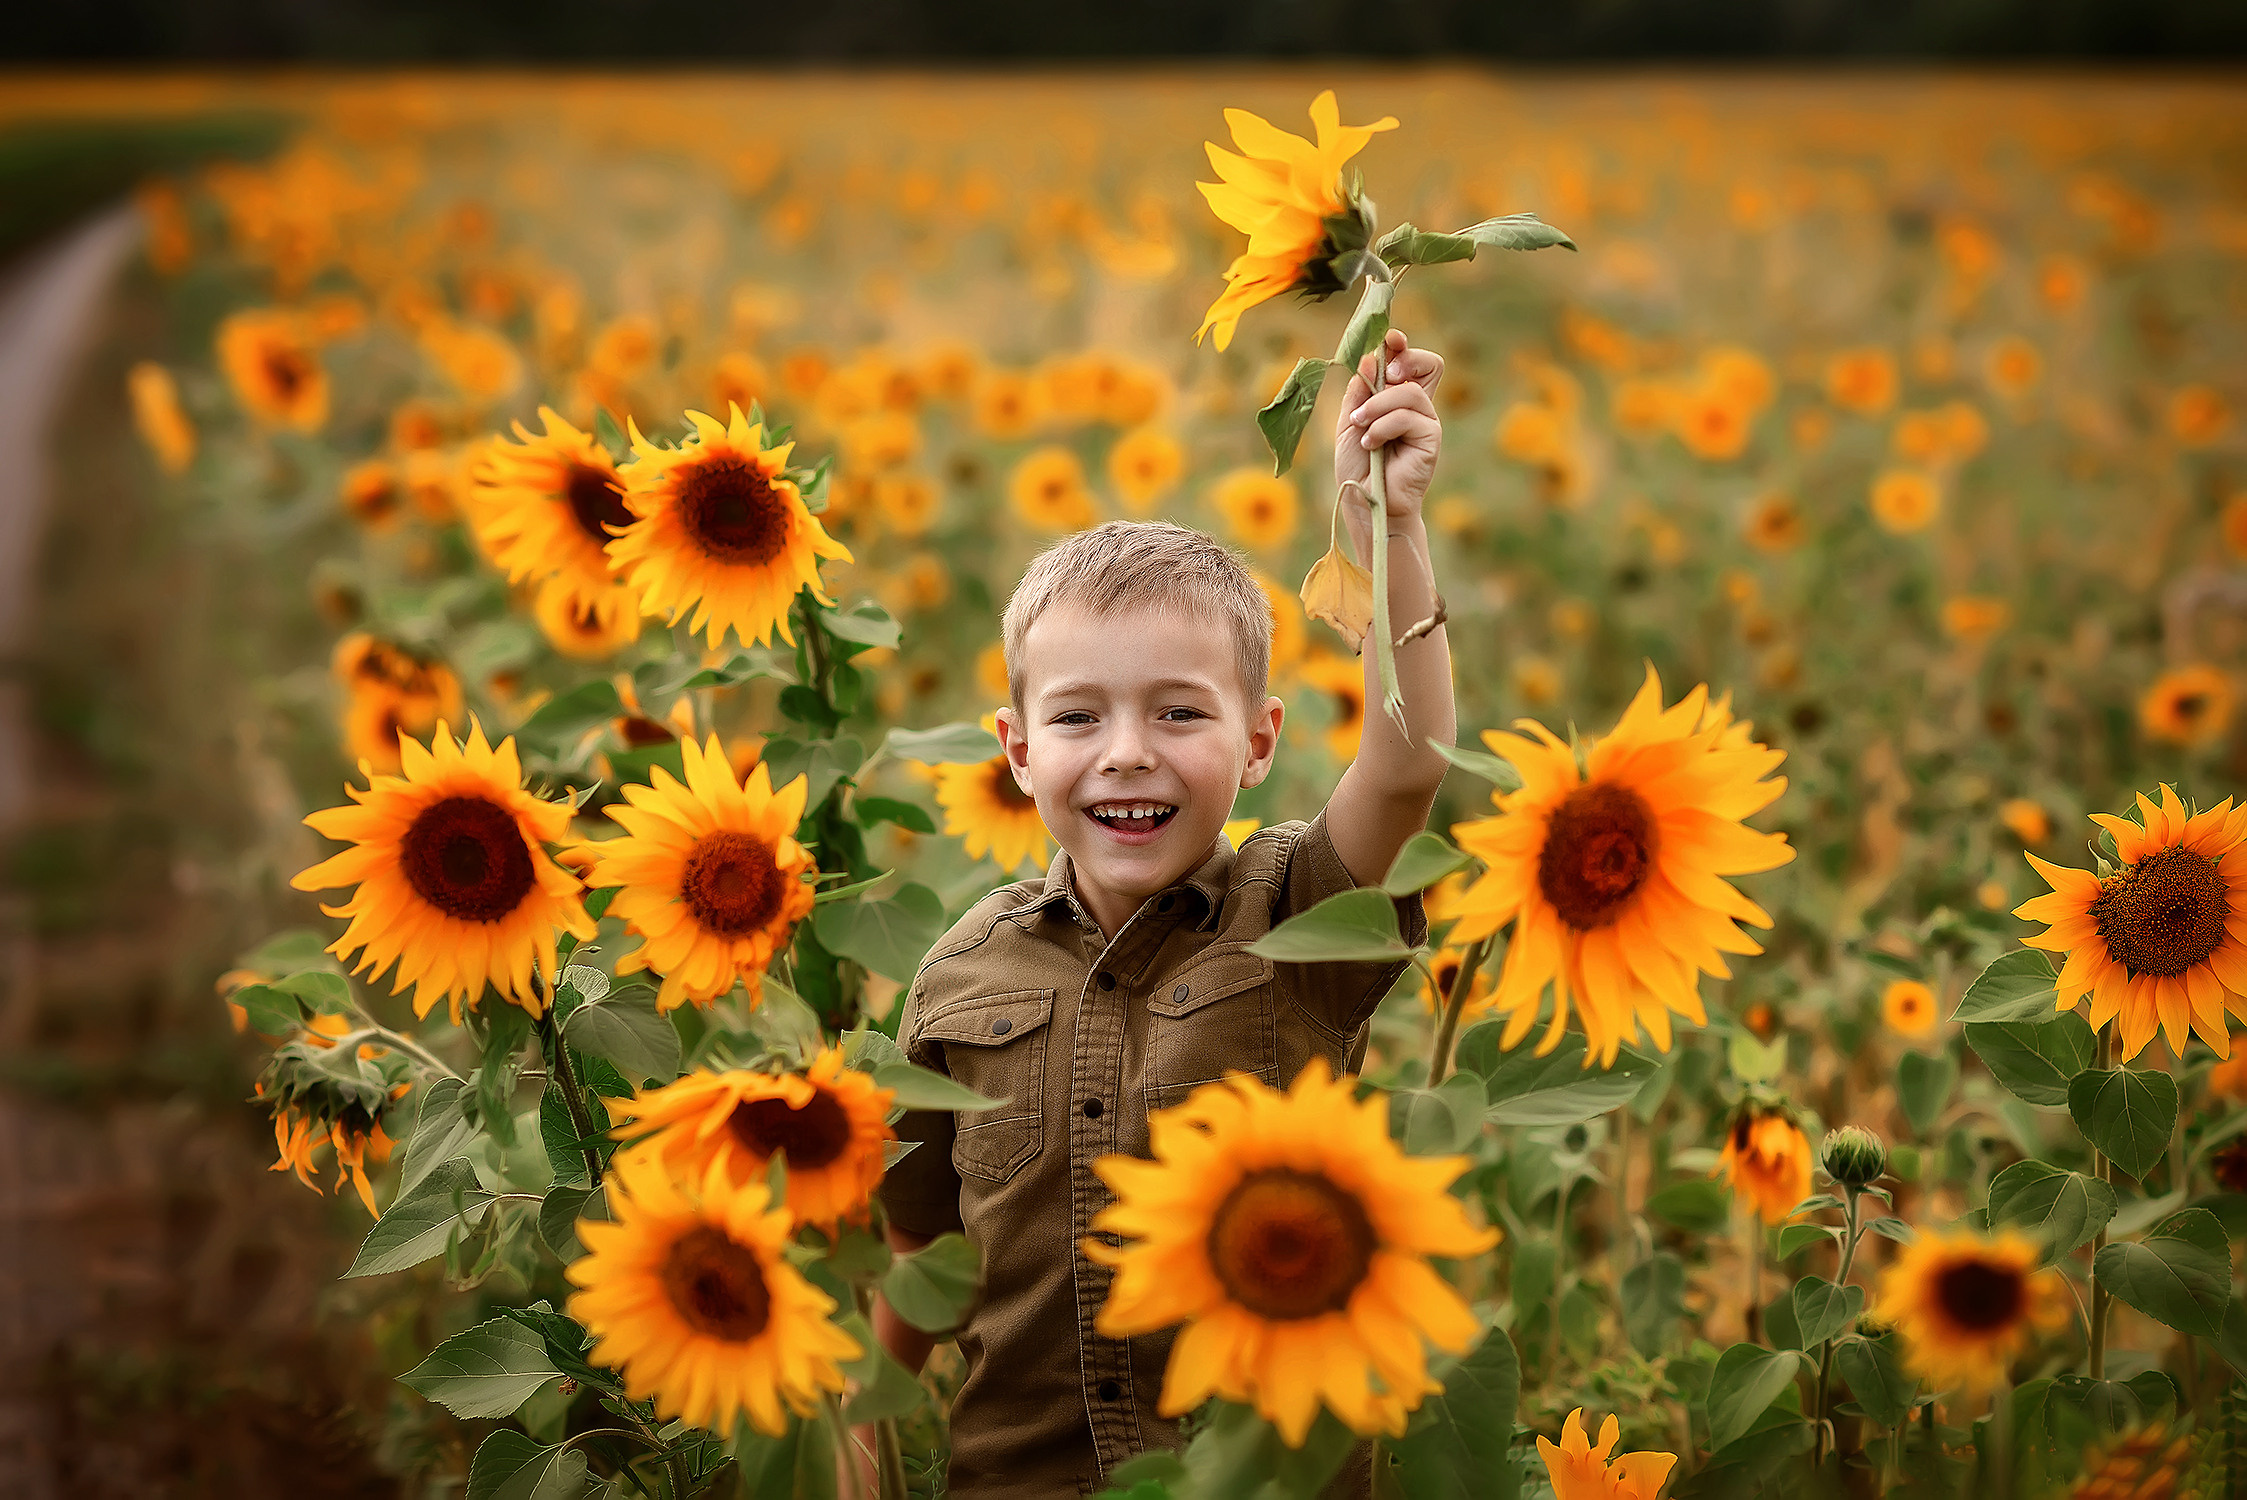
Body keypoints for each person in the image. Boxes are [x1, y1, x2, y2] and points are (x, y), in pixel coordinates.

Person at [864, 329, 1451, 1497]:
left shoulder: (1296, 918)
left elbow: (1406, 764)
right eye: (1079, 720)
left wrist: (1389, 527)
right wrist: (854, 1453)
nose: (1127, 755)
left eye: (1180, 714)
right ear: (1018, 753)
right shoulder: (958, 978)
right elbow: (918, 1259)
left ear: (1261, 741)